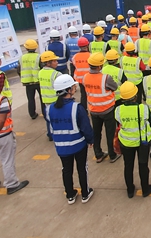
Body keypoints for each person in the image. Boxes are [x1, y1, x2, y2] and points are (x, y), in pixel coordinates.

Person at [48, 75, 94, 204]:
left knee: (66, 170)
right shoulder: (76, 108)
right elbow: (85, 127)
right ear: (68, 90)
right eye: (73, 87)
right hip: (78, 144)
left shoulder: (50, 108)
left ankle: (70, 195)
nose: (75, 88)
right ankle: (85, 193)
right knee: (82, 169)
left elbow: (51, 127)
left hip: (61, 147)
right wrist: (90, 140)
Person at [116, 82, 151, 198]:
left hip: (126, 142)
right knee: (143, 165)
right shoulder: (143, 108)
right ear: (135, 96)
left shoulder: (118, 110)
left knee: (128, 166)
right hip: (142, 142)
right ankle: (145, 189)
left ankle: (130, 190)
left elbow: (119, 122)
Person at [84, 53, 120, 163]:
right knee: (110, 133)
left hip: (93, 110)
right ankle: (112, 155)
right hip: (107, 110)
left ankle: (98, 154)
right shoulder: (105, 78)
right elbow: (115, 87)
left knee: (96, 133)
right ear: (100, 66)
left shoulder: (85, 77)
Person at [39, 51, 61, 141]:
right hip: (56, 100)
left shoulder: (40, 72)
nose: (57, 62)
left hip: (46, 100)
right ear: (48, 63)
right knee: (58, 119)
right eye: (54, 61)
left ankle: (50, 134)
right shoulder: (56, 74)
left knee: (49, 118)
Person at [19, 39, 42, 119]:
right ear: (36, 47)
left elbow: (19, 70)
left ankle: (32, 114)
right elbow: (42, 67)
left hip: (28, 82)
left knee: (30, 99)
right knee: (42, 97)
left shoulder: (22, 58)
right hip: (38, 81)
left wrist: (23, 77)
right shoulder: (39, 57)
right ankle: (44, 112)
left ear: (26, 48)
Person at [71, 37, 91, 108]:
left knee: (83, 95)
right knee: (91, 94)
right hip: (89, 79)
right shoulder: (91, 56)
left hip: (80, 79)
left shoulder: (74, 57)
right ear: (87, 45)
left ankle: (84, 109)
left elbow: (73, 68)